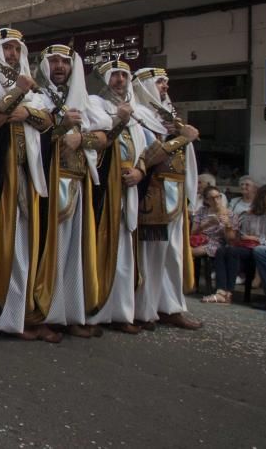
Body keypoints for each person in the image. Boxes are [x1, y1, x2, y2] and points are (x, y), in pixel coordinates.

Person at [0, 28, 56, 342]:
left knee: (22, 249)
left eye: (17, 49)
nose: (13, 55)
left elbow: (47, 120)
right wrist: (15, 96)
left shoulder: (33, 90)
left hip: (26, 178)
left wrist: (26, 109)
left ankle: (18, 316)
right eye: (7, 49)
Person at [33, 45, 106, 339]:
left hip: (79, 182)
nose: (60, 66)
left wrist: (81, 140)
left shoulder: (84, 101)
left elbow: (103, 138)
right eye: (53, 61)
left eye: (65, 61)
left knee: (75, 254)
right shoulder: (37, 97)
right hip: (49, 183)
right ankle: (44, 313)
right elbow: (32, 137)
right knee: (51, 251)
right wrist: (59, 130)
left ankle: (72, 313)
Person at [132, 67, 202, 330]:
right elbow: (147, 157)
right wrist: (179, 139)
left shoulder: (171, 119)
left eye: (165, 82)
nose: (164, 87)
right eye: (159, 82)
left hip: (176, 195)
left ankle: (170, 307)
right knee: (151, 255)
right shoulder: (138, 116)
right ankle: (144, 309)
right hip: (154, 194)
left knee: (173, 256)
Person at [85, 60, 150, 334]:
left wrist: (140, 170)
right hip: (104, 186)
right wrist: (118, 119)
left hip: (129, 188)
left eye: (124, 76)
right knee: (101, 244)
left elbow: (146, 149)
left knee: (125, 251)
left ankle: (122, 312)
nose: (120, 81)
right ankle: (95, 310)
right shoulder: (95, 104)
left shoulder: (135, 113)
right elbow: (96, 137)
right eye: (115, 76)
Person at [195, 187, 238, 304]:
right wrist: (207, 224)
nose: (216, 200)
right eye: (212, 198)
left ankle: (222, 293)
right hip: (199, 239)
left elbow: (231, 240)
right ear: (207, 200)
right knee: (184, 250)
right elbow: (193, 231)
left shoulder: (230, 214)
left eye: (218, 196)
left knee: (191, 252)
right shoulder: (202, 211)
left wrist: (227, 225)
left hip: (216, 242)